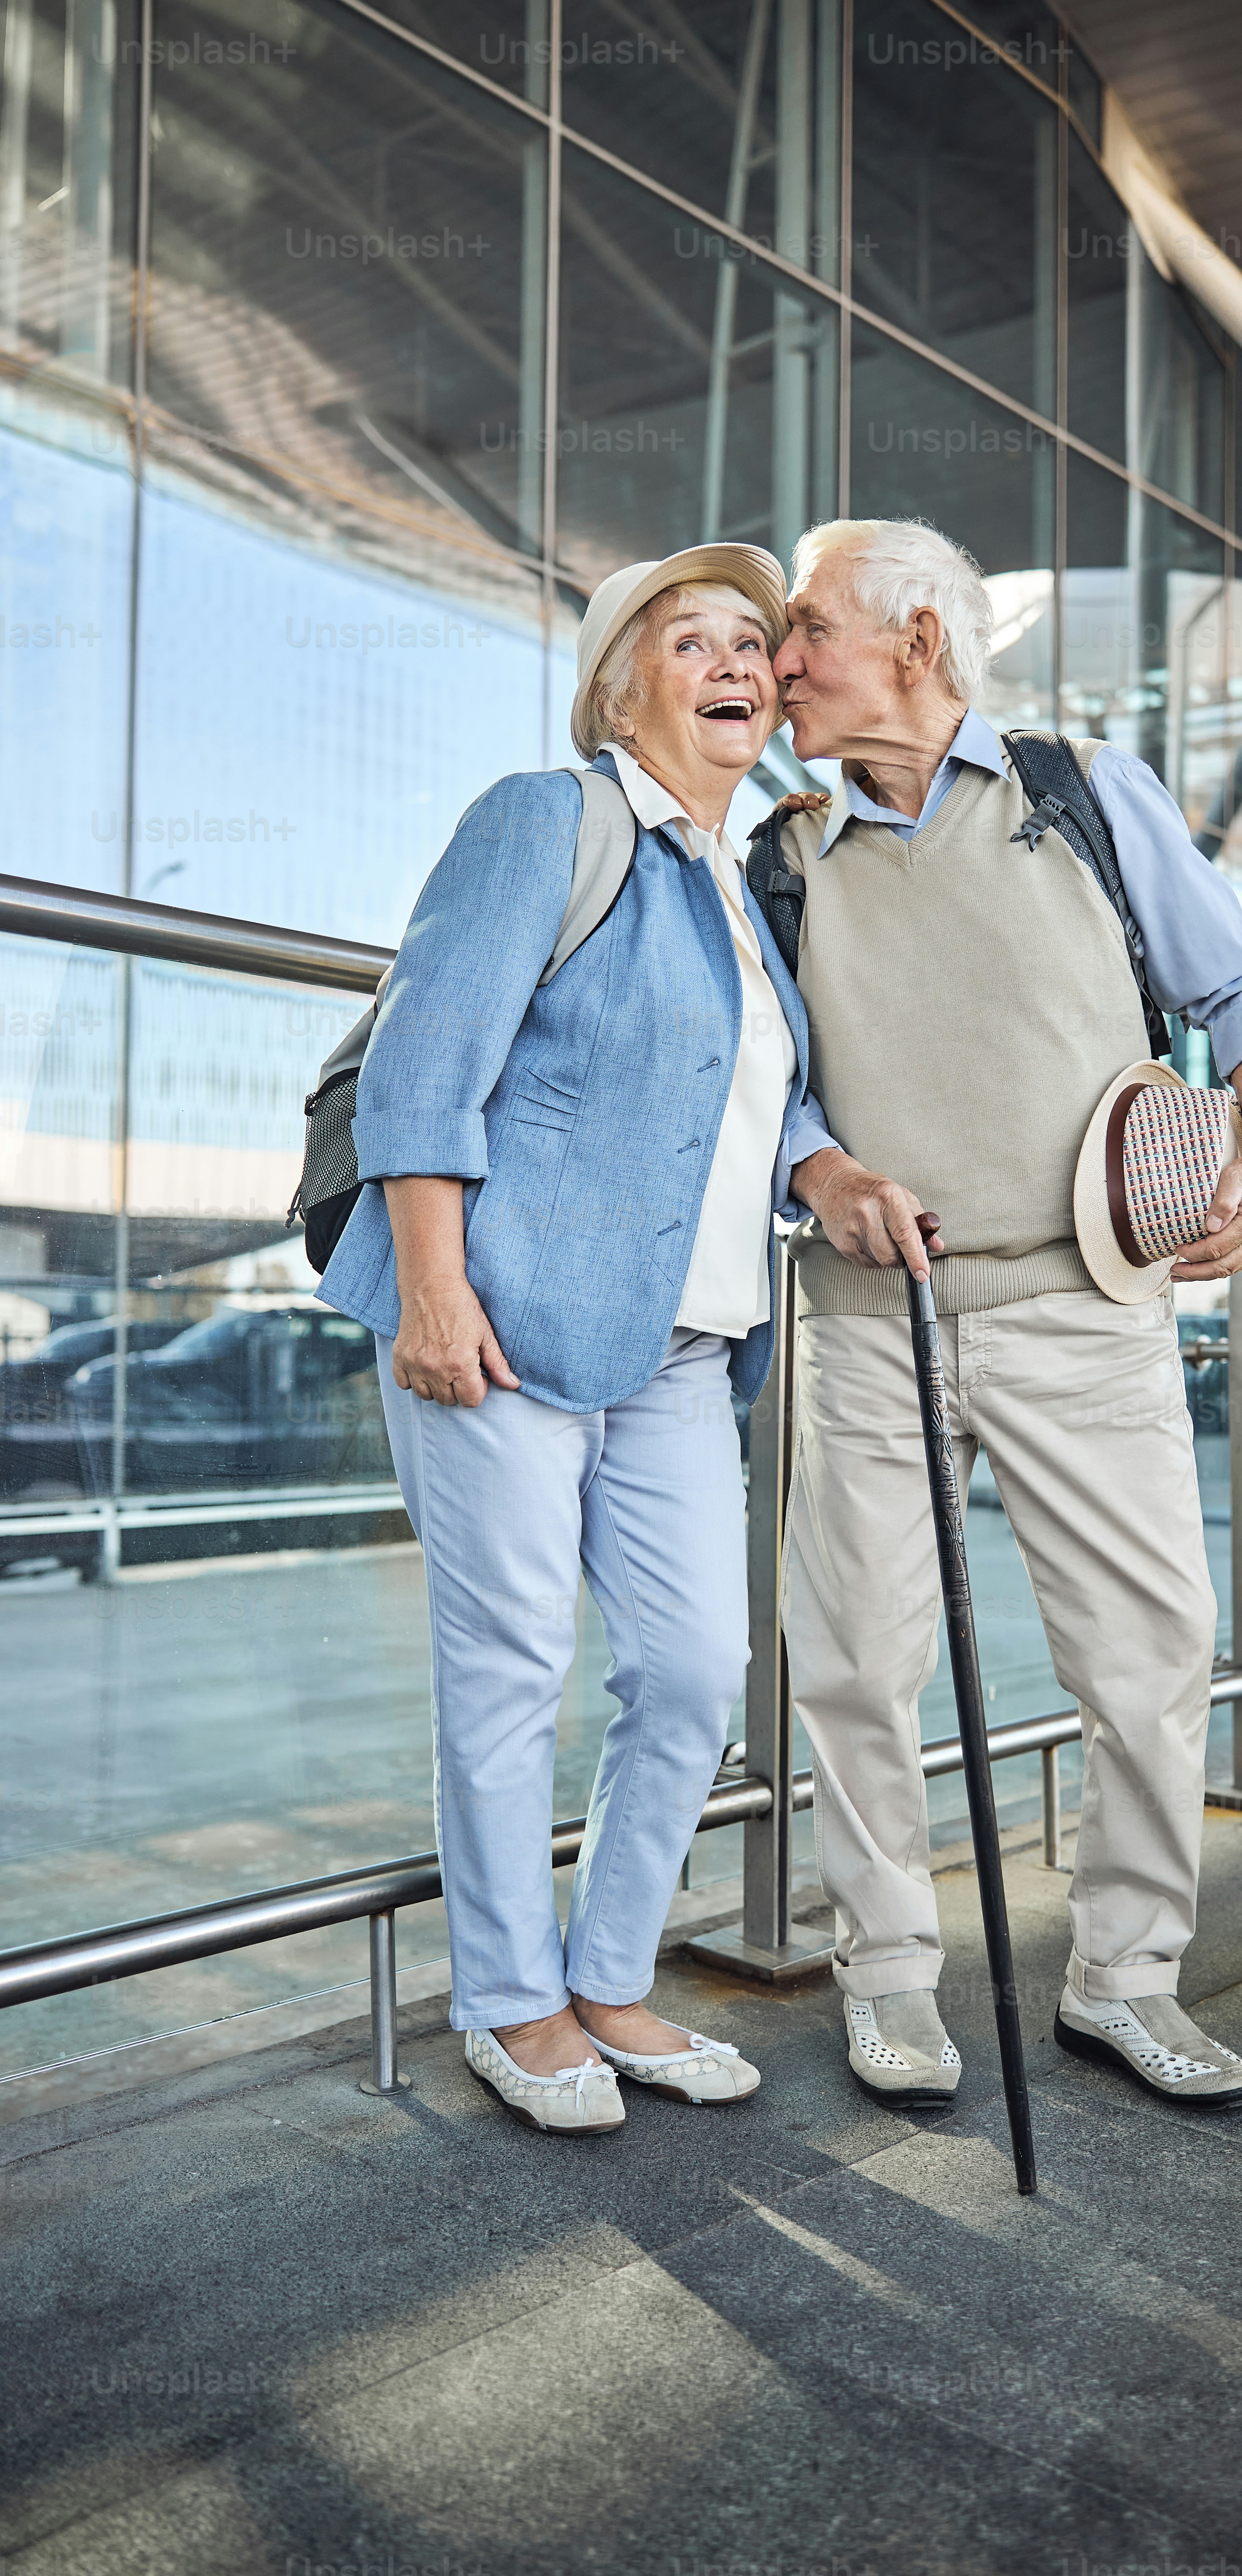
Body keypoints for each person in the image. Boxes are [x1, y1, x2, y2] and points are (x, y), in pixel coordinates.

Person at [773, 518, 1242, 2111]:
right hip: (873, 1318)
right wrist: (822, 1169)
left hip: (1088, 1308)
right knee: (861, 1667)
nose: (777, 661)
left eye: (805, 630)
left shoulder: (1081, 793)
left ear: (918, 644)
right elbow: (769, 1086)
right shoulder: (779, 857)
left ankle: (1124, 1979)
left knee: (1150, 1653)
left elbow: (1241, 991)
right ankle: (885, 1979)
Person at [317, 544, 836, 2134]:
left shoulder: (739, 890)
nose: (736, 661)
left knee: (694, 1670)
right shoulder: (547, 820)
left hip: (682, 1349)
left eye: (754, 640)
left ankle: (612, 1976)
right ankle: (508, 1999)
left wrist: (826, 1162)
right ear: (621, 683)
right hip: (507, 1320)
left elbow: (749, 1103)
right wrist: (431, 1290)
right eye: (694, 640)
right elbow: (426, 1062)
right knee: (509, 1665)